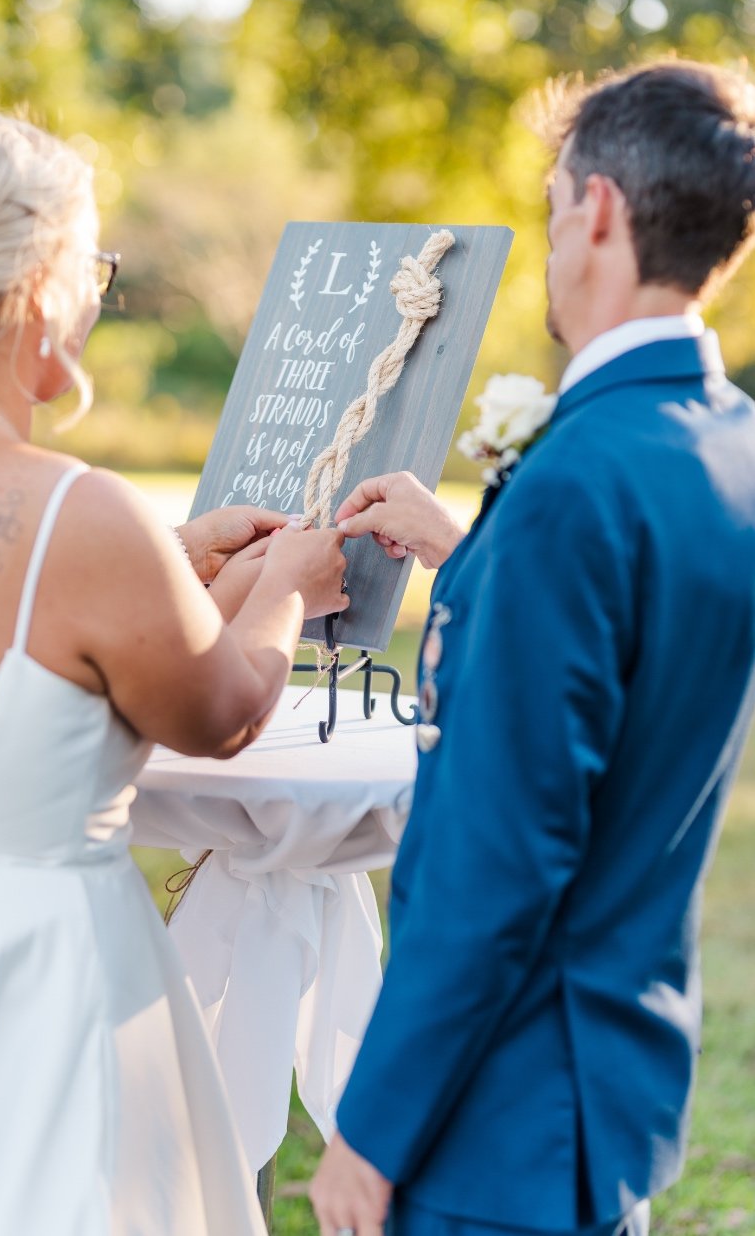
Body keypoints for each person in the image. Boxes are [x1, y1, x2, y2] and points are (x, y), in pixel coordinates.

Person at [309, 61, 755, 1236]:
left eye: (555, 201)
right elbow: (629, 668)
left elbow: (499, 859)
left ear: (597, 209)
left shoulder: (570, 484)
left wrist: (369, 1131)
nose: (553, 232)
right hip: (610, 1099)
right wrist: (475, 556)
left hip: (495, 1126)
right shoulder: (727, 449)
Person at [0, 110, 350, 1234]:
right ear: (37, 288)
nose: (95, 296)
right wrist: (291, 582)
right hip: (51, 981)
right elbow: (224, 711)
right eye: (89, 266)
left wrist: (183, 571)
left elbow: (35, 663)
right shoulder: (77, 511)